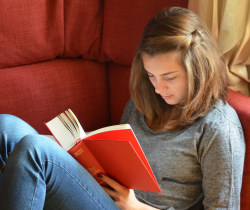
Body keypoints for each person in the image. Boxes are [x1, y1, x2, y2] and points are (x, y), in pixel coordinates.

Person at [0, 7, 245, 210]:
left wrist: (136, 207)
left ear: (199, 69)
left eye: (169, 77)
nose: (158, 88)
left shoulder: (219, 127)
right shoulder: (144, 100)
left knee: (35, 150)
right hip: (101, 197)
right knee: (6, 127)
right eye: (151, 75)